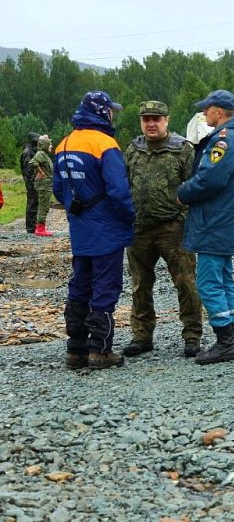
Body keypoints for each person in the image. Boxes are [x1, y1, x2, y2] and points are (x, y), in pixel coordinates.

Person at [53, 91, 135, 370]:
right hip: (107, 229)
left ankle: (75, 350)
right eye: (111, 109)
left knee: (79, 285)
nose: (112, 114)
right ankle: (100, 351)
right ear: (102, 112)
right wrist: (129, 218)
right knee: (105, 286)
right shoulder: (104, 144)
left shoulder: (63, 144)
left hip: (80, 229)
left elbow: (57, 189)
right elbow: (119, 190)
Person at [121, 101, 204, 358]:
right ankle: (142, 336)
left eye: (156, 119)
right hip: (139, 228)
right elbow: (122, 184)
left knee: (186, 283)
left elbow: (196, 186)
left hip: (173, 228)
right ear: (141, 122)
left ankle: (192, 336)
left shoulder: (182, 149)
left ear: (167, 120)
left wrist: (188, 219)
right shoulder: (133, 150)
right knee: (139, 285)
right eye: (146, 119)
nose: (151, 124)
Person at [177, 90, 234, 365]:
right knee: (223, 280)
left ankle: (226, 342)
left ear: (219, 111)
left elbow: (209, 179)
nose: (205, 114)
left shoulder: (223, 141)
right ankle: (229, 336)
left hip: (213, 221)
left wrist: (182, 192)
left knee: (208, 283)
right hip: (228, 220)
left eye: (207, 109)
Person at [187, 112, 234, 292]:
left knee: (212, 244)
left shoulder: (200, 149)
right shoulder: (233, 144)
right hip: (232, 206)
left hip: (208, 207)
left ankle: (216, 279)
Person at [27, 135, 54, 237]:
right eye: (50, 144)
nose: (51, 146)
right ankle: (40, 229)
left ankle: (41, 227)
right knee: (43, 206)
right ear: (45, 145)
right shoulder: (41, 154)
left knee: (44, 205)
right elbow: (33, 162)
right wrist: (41, 172)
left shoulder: (44, 155)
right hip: (44, 185)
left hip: (46, 184)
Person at [20, 132, 40, 234]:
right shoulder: (28, 152)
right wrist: (33, 182)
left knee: (35, 203)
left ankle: (33, 226)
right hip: (31, 182)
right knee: (32, 203)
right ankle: (31, 227)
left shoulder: (32, 151)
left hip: (33, 181)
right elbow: (28, 170)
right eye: (37, 140)